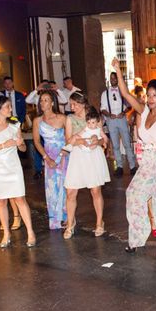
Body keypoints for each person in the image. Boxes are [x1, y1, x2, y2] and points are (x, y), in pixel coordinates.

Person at [113, 59, 156, 256]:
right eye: (149, 94)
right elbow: (126, 94)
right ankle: (136, 238)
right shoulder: (143, 112)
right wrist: (118, 70)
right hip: (149, 162)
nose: (150, 98)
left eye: (155, 95)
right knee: (134, 194)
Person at [0, 95, 35, 248]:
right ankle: (6, 232)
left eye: (10, 106)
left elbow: (23, 148)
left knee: (20, 199)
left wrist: (20, 145)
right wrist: (4, 145)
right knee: (1, 201)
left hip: (13, 166)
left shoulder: (14, 124)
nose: (11, 109)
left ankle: (31, 232)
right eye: (7, 107)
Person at [63, 93, 110, 239]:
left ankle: (99, 222)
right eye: (71, 104)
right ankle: (70, 224)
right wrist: (82, 141)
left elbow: (104, 140)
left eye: (74, 104)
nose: (72, 107)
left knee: (95, 191)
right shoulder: (70, 119)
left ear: (82, 103)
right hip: (77, 157)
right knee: (71, 192)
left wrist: (99, 142)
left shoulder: (94, 117)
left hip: (93, 156)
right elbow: (69, 140)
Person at [32, 90, 68, 230]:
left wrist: (63, 153)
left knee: (65, 186)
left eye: (46, 100)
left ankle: (66, 217)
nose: (42, 103)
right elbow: (36, 141)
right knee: (52, 187)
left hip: (63, 155)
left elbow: (69, 137)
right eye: (41, 100)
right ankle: (54, 218)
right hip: (49, 156)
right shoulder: (37, 121)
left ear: (52, 103)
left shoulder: (62, 118)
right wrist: (47, 158)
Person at [100, 72, 137, 177]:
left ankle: (132, 166)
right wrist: (109, 114)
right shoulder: (105, 93)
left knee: (127, 143)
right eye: (111, 78)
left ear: (118, 79)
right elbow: (102, 108)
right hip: (111, 121)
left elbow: (130, 105)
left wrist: (123, 112)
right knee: (115, 145)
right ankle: (119, 167)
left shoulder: (123, 92)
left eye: (115, 78)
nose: (113, 80)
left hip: (122, 119)